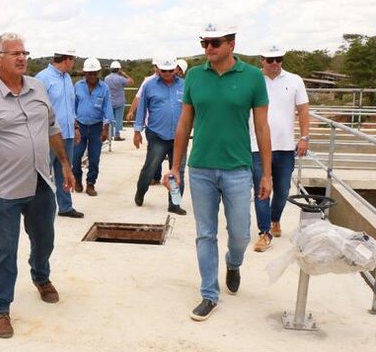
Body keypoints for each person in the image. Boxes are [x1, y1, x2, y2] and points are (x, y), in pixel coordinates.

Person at [0, 32, 76, 339]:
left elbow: (52, 128)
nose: (22, 58)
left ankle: (41, 276)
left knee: (45, 238)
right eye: (15, 53)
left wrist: (65, 164)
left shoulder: (38, 88)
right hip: (5, 189)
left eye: (25, 52)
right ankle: (0, 308)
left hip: (41, 180)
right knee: (3, 251)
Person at [166, 24, 271, 321]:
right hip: (200, 169)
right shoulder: (195, 76)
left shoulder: (252, 77)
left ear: (231, 44)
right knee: (205, 234)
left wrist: (266, 174)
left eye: (214, 42)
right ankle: (209, 294)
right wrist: (175, 166)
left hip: (238, 168)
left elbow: (262, 127)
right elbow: (184, 124)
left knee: (240, 233)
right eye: (204, 42)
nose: (208, 48)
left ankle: (233, 262)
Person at [250, 44, 310, 252]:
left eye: (278, 59)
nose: (274, 63)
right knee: (262, 190)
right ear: (262, 60)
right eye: (270, 59)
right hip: (256, 146)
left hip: (285, 146)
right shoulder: (252, 79)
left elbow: (303, 110)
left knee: (282, 190)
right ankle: (264, 232)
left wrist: (304, 137)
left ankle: (275, 219)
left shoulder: (295, 80)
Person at [133, 55, 187, 215]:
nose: (167, 74)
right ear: (157, 68)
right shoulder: (149, 86)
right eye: (163, 71)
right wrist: (137, 131)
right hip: (157, 134)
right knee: (151, 167)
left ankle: (174, 204)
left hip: (179, 136)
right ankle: (140, 192)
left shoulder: (184, 86)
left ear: (176, 69)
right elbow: (142, 109)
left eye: (170, 70)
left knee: (178, 171)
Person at [35, 46, 83, 218]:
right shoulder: (42, 78)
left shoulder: (67, 78)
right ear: (67, 59)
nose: (74, 63)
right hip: (48, 135)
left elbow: (70, 107)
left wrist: (75, 127)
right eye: (73, 59)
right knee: (43, 172)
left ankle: (65, 207)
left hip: (68, 134)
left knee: (65, 171)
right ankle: (39, 208)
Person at [73, 57, 114, 196]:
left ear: (98, 73)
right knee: (76, 156)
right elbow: (73, 107)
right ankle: (77, 179)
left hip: (96, 127)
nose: (92, 76)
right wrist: (74, 125)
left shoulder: (104, 88)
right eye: (89, 73)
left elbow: (107, 108)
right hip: (80, 126)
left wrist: (106, 128)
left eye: (94, 73)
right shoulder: (78, 86)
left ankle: (91, 183)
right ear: (84, 73)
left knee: (94, 157)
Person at [104, 60, 134, 141]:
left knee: (110, 118)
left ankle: (110, 134)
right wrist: (124, 74)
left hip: (110, 101)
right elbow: (131, 81)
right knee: (118, 119)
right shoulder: (121, 79)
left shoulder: (106, 78)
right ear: (118, 69)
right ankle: (117, 134)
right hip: (120, 101)